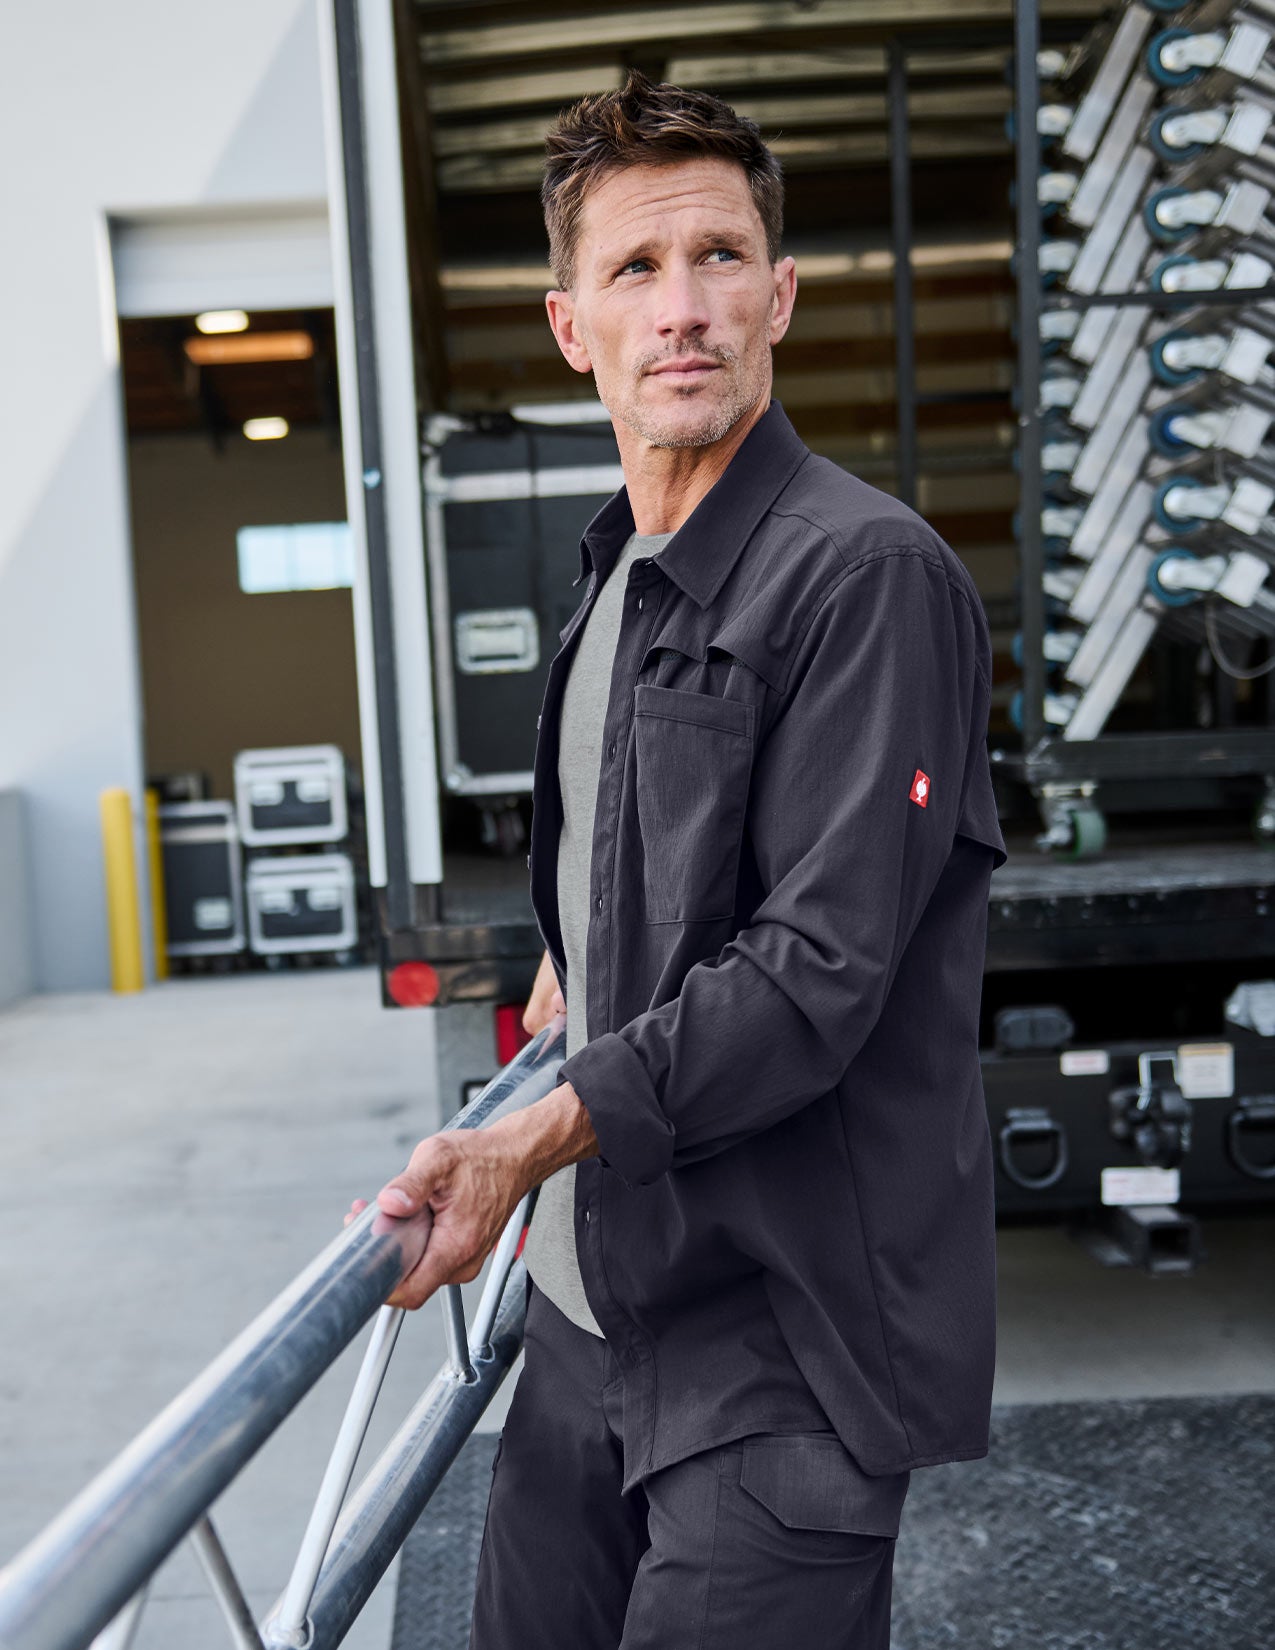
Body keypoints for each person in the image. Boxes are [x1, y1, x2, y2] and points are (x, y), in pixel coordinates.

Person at [352, 71, 1008, 1649]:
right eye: (636, 271)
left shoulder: (867, 577)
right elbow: (614, 885)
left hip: (781, 1339)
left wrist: (525, 1144)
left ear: (780, 295)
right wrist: (567, 981)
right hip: (592, 1322)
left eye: (719, 256)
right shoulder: (614, 581)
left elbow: (816, 976)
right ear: (573, 327)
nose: (684, 307)